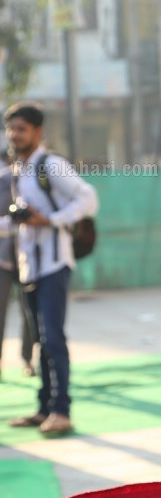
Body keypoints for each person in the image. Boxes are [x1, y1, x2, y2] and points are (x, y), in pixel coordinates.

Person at [4, 102, 99, 435]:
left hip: (54, 264)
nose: (14, 136)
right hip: (29, 264)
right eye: (11, 129)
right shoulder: (20, 170)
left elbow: (88, 199)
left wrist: (52, 220)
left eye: (21, 129)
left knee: (53, 338)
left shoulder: (51, 165)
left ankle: (62, 410)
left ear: (37, 132)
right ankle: (44, 408)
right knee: (41, 342)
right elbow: (19, 220)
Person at [0, 155, 37, 379]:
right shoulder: (3, 180)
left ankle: (27, 359)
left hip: (29, 260)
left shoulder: (37, 179)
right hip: (4, 260)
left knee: (29, 312)